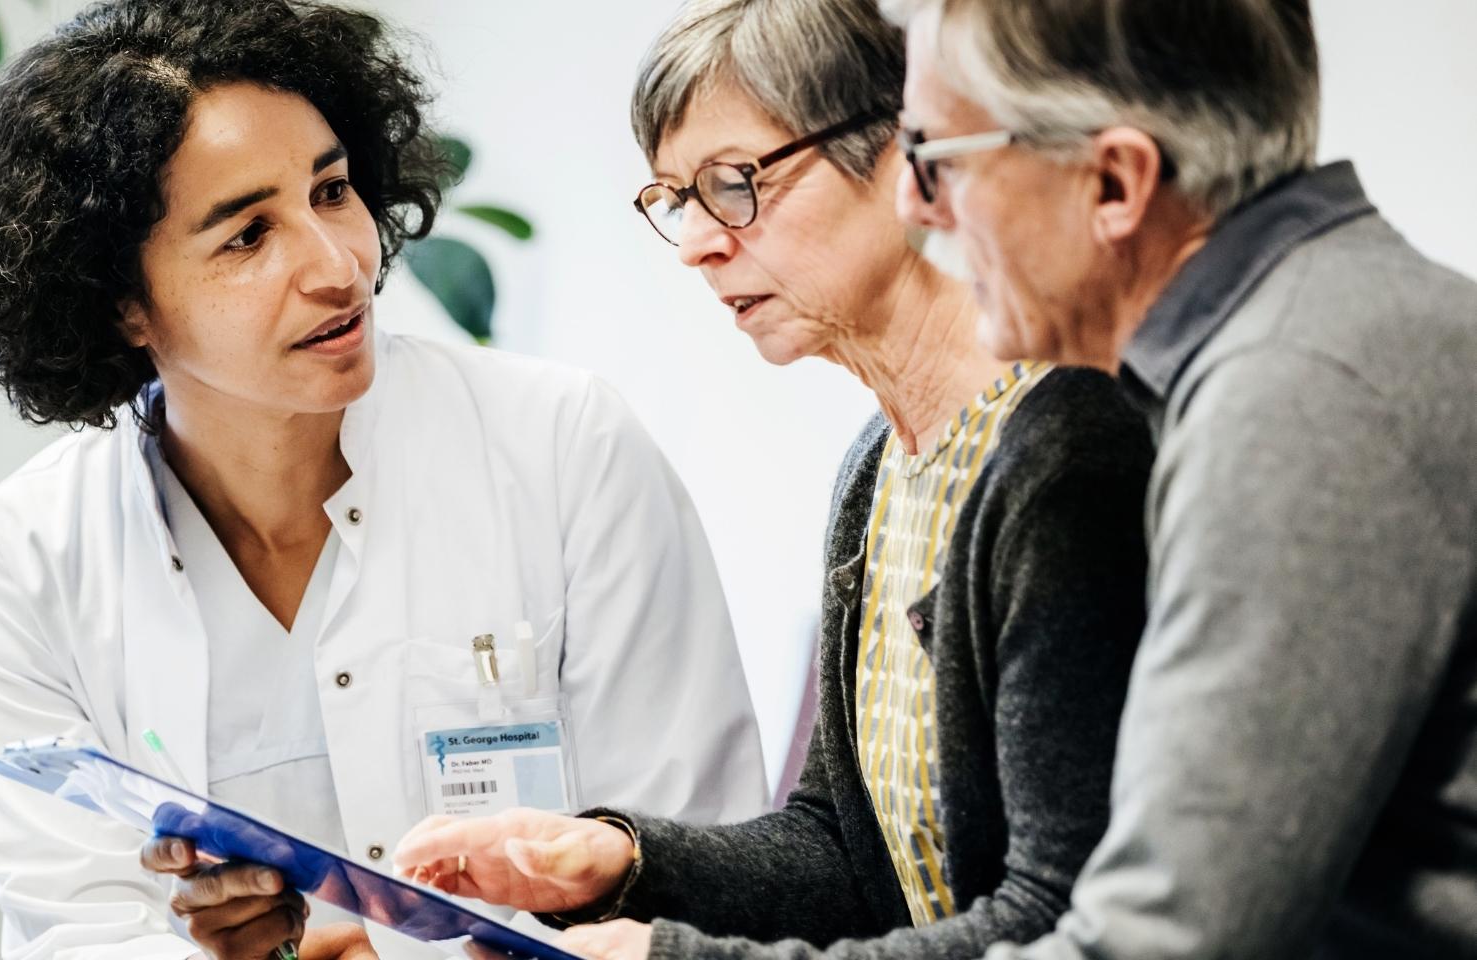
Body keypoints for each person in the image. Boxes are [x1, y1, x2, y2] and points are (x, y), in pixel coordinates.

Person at [0, 1, 769, 957]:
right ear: (120, 307)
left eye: (330, 192)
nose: (336, 266)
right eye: (246, 236)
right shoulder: (22, 560)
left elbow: (700, 858)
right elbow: (76, 930)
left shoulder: (564, 446)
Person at [391, 1, 1155, 958]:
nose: (704, 242)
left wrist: (676, 957)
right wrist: (620, 862)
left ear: (902, 156)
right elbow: (842, 850)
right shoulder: (878, 469)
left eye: (736, 183)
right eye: (677, 200)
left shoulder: (1065, 449)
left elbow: (1062, 918)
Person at [882, 0, 1477, 956]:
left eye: (935, 156)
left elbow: (1167, 939)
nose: (916, 206)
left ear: (1114, 182)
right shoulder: (1328, 326)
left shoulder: (1294, 396)